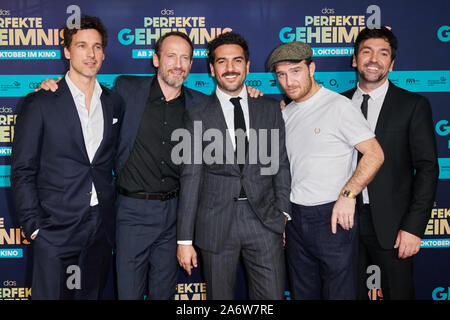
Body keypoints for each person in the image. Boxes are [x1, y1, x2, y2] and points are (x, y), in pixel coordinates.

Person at [38, 31, 261, 300]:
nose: (178, 64)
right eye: (170, 56)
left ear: (192, 64)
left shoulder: (201, 104)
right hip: (131, 212)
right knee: (129, 293)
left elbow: (234, 106)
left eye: (185, 58)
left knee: (163, 294)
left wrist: (251, 95)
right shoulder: (126, 89)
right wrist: (53, 88)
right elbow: (84, 93)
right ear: (156, 59)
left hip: (174, 215)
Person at [10, 15, 124, 300]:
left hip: (99, 227)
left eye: (97, 47)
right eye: (82, 46)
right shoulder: (41, 101)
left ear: (104, 53)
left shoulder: (114, 102)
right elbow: (23, 169)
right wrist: (34, 227)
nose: (91, 54)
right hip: (54, 228)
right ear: (67, 51)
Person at [176, 32, 291, 300]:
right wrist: (184, 240)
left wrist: (282, 214)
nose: (230, 68)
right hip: (215, 223)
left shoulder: (269, 109)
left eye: (237, 61)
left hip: (263, 220)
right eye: (222, 62)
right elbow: (190, 178)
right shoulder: (197, 115)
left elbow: (280, 165)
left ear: (247, 66)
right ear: (212, 69)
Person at [267, 41, 385, 299]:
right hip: (295, 218)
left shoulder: (339, 106)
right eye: (282, 75)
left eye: (295, 71)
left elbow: (375, 154)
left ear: (311, 69)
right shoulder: (286, 113)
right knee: (302, 293)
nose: (289, 81)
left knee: (339, 294)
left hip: (332, 215)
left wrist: (348, 195)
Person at [342, 27, 439, 300]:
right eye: (366, 52)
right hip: (342, 220)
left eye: (383, 54)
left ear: (392, 64)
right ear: (354, 59)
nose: (374, 59)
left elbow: (428, 169)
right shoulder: (337, 104)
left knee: (398, 293)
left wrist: (413, 227)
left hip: (393, 224)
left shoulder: (413, 105)